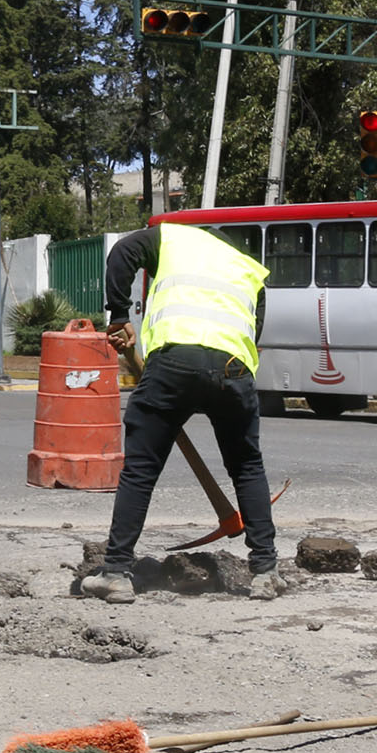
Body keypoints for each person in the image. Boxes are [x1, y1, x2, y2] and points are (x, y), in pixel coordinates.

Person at [79, 222, 280, 604]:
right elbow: (252, 331)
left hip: (174, 363)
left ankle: (116, 572)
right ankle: (266, 572)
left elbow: (122, 252)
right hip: (234, 368)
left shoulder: (172, 238)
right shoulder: (248, 268)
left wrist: (120, 315)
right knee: (247, 466)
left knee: (140, 470)